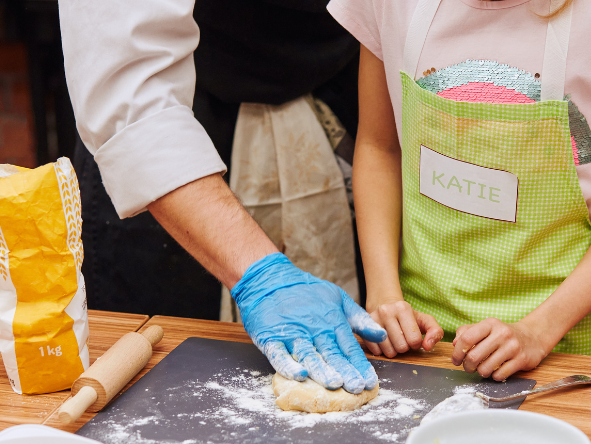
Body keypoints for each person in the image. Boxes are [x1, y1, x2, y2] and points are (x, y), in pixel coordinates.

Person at [328, 0, 591, 379]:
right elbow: (378, 147)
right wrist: (385, 294)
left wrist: (539, 329)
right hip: (418, 339)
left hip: (564, 343)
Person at [58, 0, 387, 394]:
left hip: (342, 103)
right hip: (174, 152)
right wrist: (263, 277)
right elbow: (131, 90)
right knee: (170, 393)